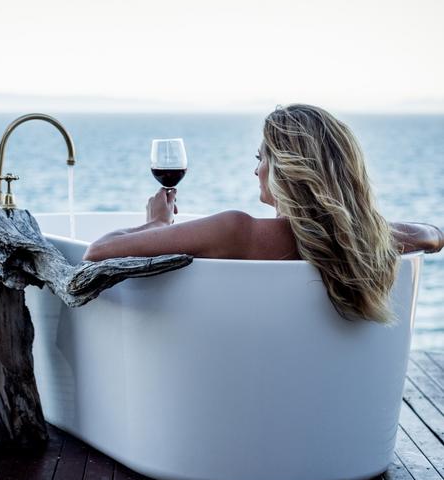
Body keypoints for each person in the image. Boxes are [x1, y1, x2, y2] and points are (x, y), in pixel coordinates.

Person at [83, 104, 444, 324]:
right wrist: (369, 227)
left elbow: (97, 251)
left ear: (287, 169)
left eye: (261, 159)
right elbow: (431, 235)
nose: (256, 171)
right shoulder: (363, 241)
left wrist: (157, 222)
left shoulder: (235, 231)